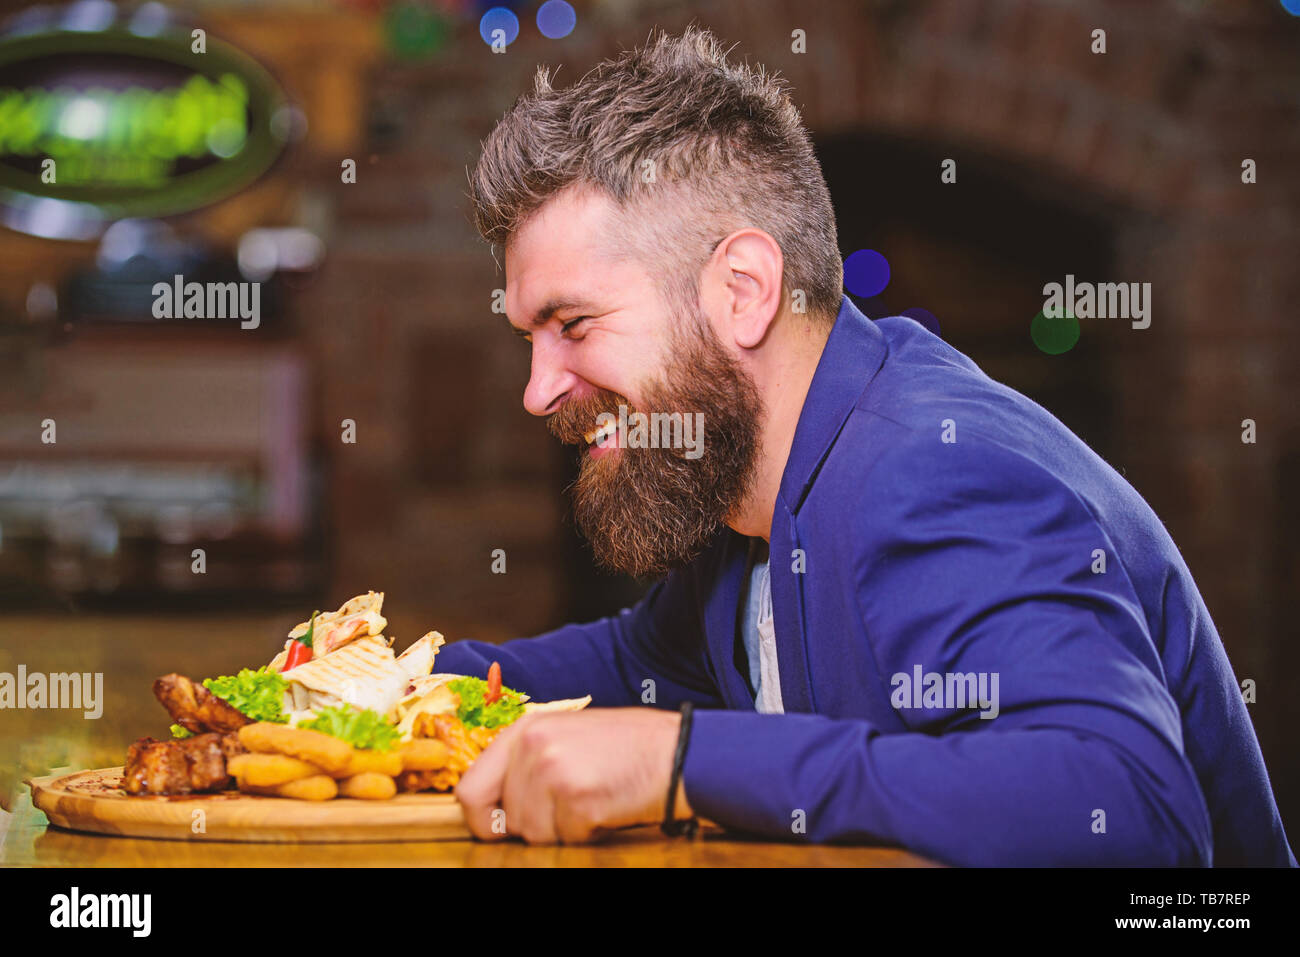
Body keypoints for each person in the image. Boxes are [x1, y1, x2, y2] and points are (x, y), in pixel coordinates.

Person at [435, 26, 1294, 866]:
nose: (537, 389)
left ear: (742, 291)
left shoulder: (934, 469)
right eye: (529, 338)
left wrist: (682, 763)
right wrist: (384, 682)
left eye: (573, 323)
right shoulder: (747, 485)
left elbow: (1128, 803)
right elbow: (633, 664)